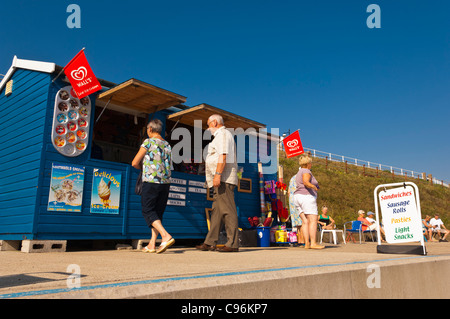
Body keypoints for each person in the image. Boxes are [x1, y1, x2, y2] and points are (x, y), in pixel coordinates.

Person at [196, 114, 239, 252]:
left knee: (228, 211)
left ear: (214, 122)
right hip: (220, 179)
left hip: (223, 179)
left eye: (208, 124)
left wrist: (218, 175)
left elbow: (223, 156)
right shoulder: (220, 136)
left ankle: (232, 243)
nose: (208, 128)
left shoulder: (223, 134)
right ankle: (210, 242)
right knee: (217, 212)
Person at [132, 119, 175, 254]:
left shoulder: (148, 142)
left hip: (151, 181)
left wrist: (142, 169)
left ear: (149, 129)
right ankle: (152, 243)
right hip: (165, 183)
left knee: (147, 210)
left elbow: (134, 162)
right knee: (157, 213)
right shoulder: (167, 145)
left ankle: (165, 235)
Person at [293, 154, 324, 249]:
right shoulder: (306, 171)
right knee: (313, 220)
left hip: (297, 197)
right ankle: (313, 243)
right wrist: (314, 187)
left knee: (305, 221)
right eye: (310, 162)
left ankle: (307, 243)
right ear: (308, 163)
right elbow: (306, 182)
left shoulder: (299, 172)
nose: (311, 164)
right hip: (306, 197)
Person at [289, 175, 305, 246]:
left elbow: (289, 192)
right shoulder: (302, 177)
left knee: (297, 223)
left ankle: (299, 240)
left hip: (292, 200)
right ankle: (302, 241)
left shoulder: (292, 178)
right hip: (299, 199)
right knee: (302, 222)